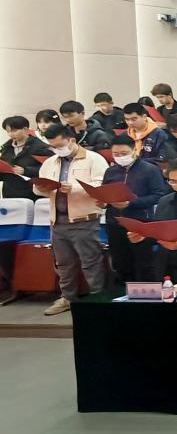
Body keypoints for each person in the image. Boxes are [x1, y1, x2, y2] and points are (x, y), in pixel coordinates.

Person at [35, 123, 109, 315]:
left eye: (60, 145)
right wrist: (40, 188)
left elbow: (102, 186)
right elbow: (39, 187)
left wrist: (74, 188)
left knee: (90, 262)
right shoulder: (50, 162)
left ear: (71, 140)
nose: (56, 150)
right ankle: (67, 298)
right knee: (63, 264)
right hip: (57, 220)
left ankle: (98, 298)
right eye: (52, 147)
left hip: (84, 219)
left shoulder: (94, 159)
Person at [101, 134, 167, 283]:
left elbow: (158, 195)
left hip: (141, 222)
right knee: (120, 263)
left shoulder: (150, 169)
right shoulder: (110, 171)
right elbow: (105, 192)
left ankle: (147, 293)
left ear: (135, 150)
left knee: (144, 263)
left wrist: (132, 203)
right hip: (114, 222)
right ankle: (125, 292)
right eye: (116, 154)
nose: (120, 157)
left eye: (123, 153)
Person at [1, 115, 52, 201]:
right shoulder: (6, 148)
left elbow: (50, 169)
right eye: (8, 131)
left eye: (14, 131)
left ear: (25, 129)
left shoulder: (40, 147)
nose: (10, 134)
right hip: (9, 193)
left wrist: (26, 171)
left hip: (31, 194)